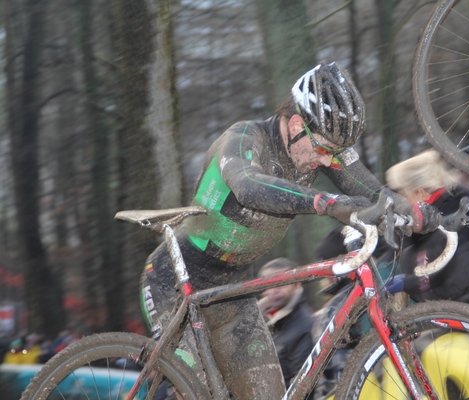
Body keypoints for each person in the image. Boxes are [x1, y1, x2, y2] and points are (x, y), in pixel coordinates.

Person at [139, 62, 441, 399]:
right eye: (324, 149)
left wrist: (416, 214)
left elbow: (372, 192)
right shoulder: (243, 139)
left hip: (233, 292)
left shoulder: (314, 147)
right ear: (297, 124)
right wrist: (325, 202)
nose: (327, 162)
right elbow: (248, 186)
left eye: (334, 154)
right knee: (197, 391)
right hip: (176, 281)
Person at [383, 149, 469, 311]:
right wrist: (409, 284)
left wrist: (441, 324)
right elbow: (443, 281)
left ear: (420, 193)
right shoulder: (425, 231)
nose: (397, 207)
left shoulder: (457, 227)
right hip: (460, 322)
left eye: (401, 197)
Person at [258, 258, 314, 388]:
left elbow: (304, 389)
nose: (274, 290)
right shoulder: (253, 321)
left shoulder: (305, 328)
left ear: (297, 285)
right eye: (269, 284)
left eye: (281, 283)